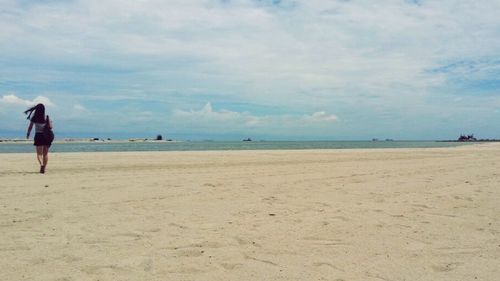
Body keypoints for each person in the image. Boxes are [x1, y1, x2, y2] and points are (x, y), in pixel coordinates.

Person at [25, 103, 53, 174]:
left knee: (39, 154)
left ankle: (41, 165)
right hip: (46, 136)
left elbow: (30, 127)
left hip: (38, 136)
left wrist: (28, 134)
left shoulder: (34, 118)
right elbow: (51, 127)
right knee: (45, 154)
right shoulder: (46, 117)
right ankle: (44, 168)